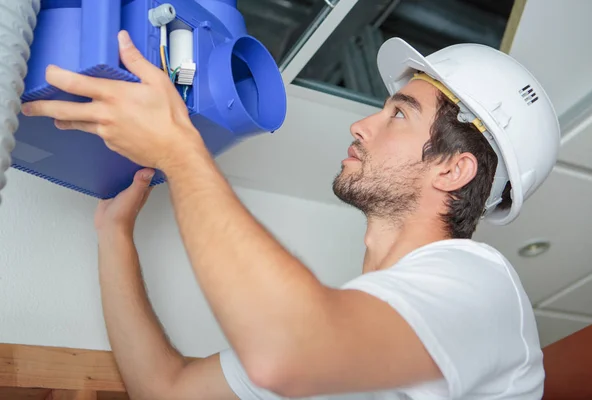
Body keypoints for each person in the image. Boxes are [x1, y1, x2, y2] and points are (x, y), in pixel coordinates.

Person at [22, 30, 560, 399]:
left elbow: (285, 348)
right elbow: (165, 389)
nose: (361, 126)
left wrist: (179, 149)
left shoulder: (483, 288)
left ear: (452, 171)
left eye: (399, 114)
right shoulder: (342, 329)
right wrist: (114, 232)